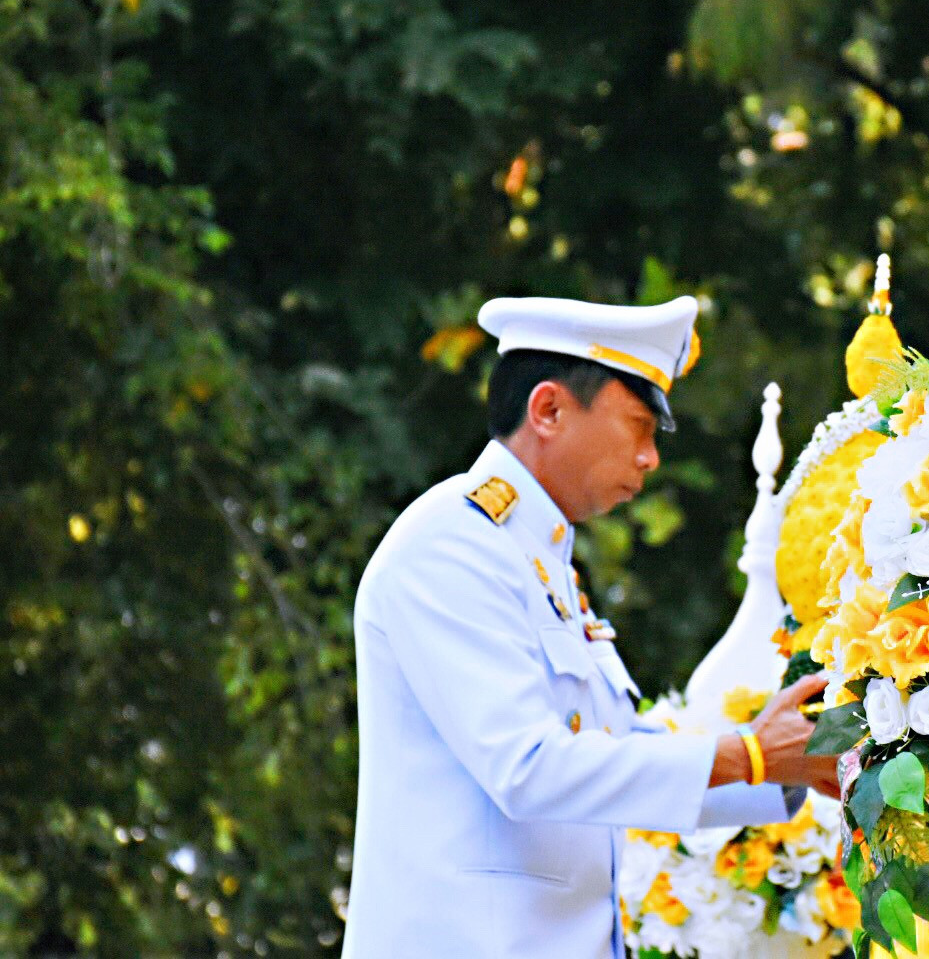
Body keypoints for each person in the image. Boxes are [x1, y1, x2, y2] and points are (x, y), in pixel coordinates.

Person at [341, 294, 839, 959]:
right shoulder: (451, 545)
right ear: (548, 410)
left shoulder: (537, 560)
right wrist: (747, 755)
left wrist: (780, 764)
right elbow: (530, 768)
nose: (650, 459)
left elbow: (618, 755)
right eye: (638, 425)